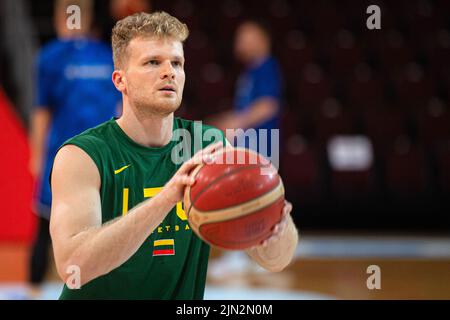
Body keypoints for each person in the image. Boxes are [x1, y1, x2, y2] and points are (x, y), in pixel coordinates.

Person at [49, 11, 298, 299]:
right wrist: (168, 197)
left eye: (176, 63)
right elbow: (72, 267)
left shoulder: (208, 145)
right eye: (153, 62)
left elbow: (276, 260)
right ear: (120, 80)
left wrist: (271, 221)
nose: (169, 71)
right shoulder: (82, 155)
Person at [29, 0, 121, 297]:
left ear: (59, 19)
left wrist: (36, 155)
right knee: (105, 225)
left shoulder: (52, 56)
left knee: (48, 225)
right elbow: (121, 110)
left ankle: (35, 290)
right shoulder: (103, 56)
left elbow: (42, 111)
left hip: (69, 158)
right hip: (95, 156)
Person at [209, 20, 283, 155]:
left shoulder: (266, 67)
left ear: (263, 40)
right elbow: (244, 109)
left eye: (246, 38)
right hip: (246, 146)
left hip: (259, 148)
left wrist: (234, 123)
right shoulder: (249, 72)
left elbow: (268, 106)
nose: (240, 42)